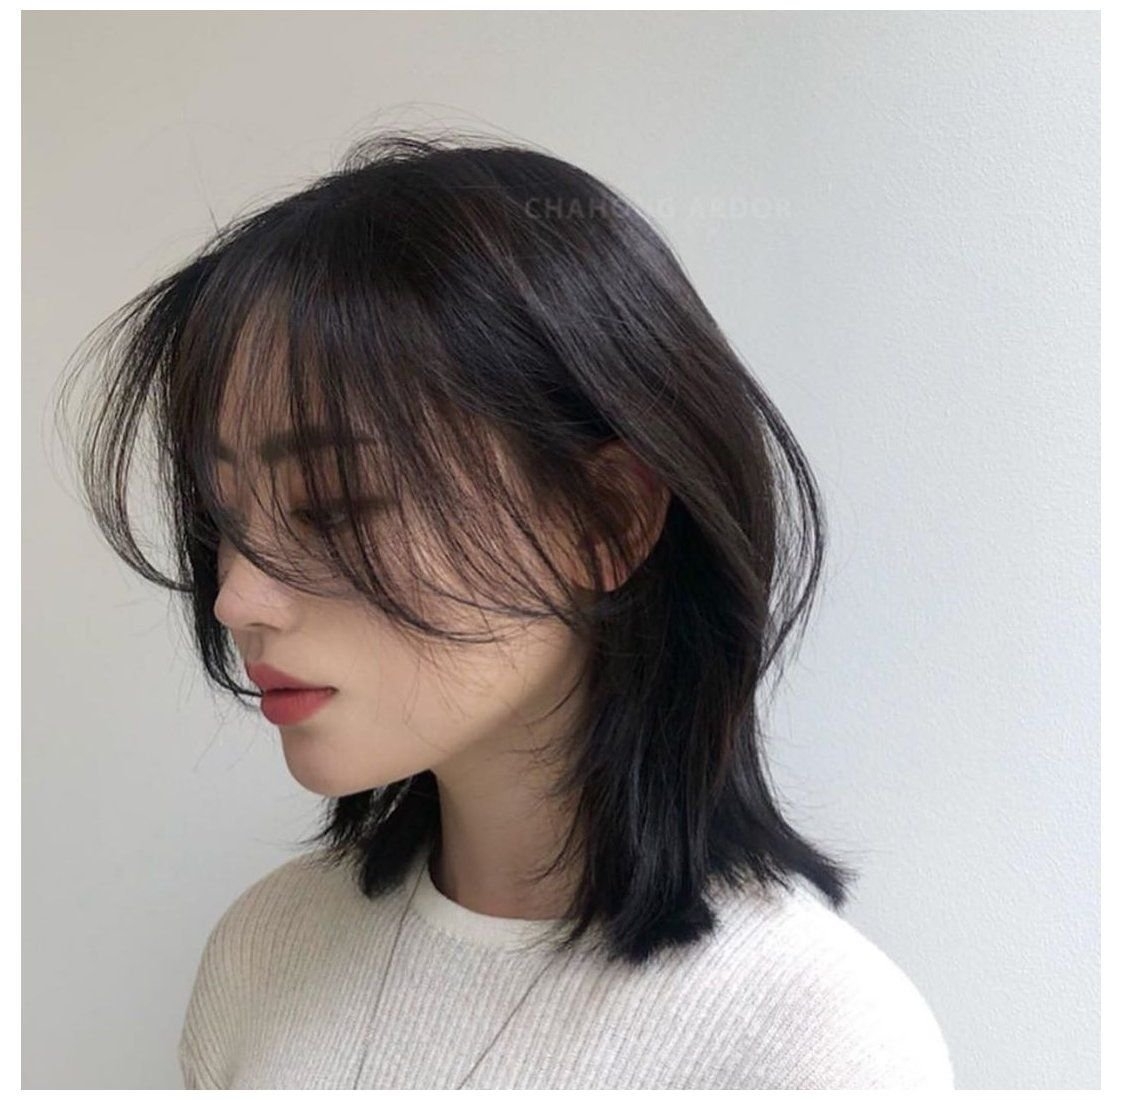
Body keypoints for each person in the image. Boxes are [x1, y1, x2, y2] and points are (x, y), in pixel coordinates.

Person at [55, 129, 955, 1089]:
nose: (237, 596)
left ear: (605, 521)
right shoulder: (265, 953)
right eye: (226, 517)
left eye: (334, 504)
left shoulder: (813, 1043)